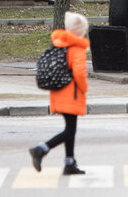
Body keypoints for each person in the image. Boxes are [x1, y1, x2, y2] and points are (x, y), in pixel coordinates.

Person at [29, 12, 91, 175]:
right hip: (71, 94)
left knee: (70, 129)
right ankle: (41, 149)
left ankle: (69, 163)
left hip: (58, 92)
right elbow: (79, 73)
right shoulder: (76, 48)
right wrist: (84, 89)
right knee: (70, 130)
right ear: (80, 31)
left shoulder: (59, 44)